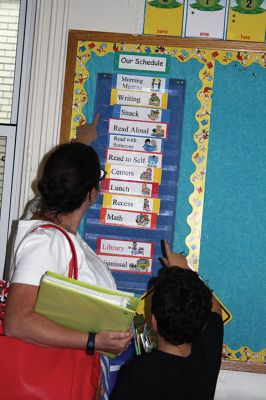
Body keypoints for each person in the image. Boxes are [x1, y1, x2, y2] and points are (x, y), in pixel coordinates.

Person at [3, 142, 133, 399]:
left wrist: (82, 141)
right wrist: (93, 341)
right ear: (92, 194)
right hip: (52, 382)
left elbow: (65, 178)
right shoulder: (47, 242)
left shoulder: (46, 224)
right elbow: (17, 322)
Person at [110, 241, 223, 400]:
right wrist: (183, 269)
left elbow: (212, 309)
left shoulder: (140, 371)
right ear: (202, 321)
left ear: (154, 321)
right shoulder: (205, 358)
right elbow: (215, 308)